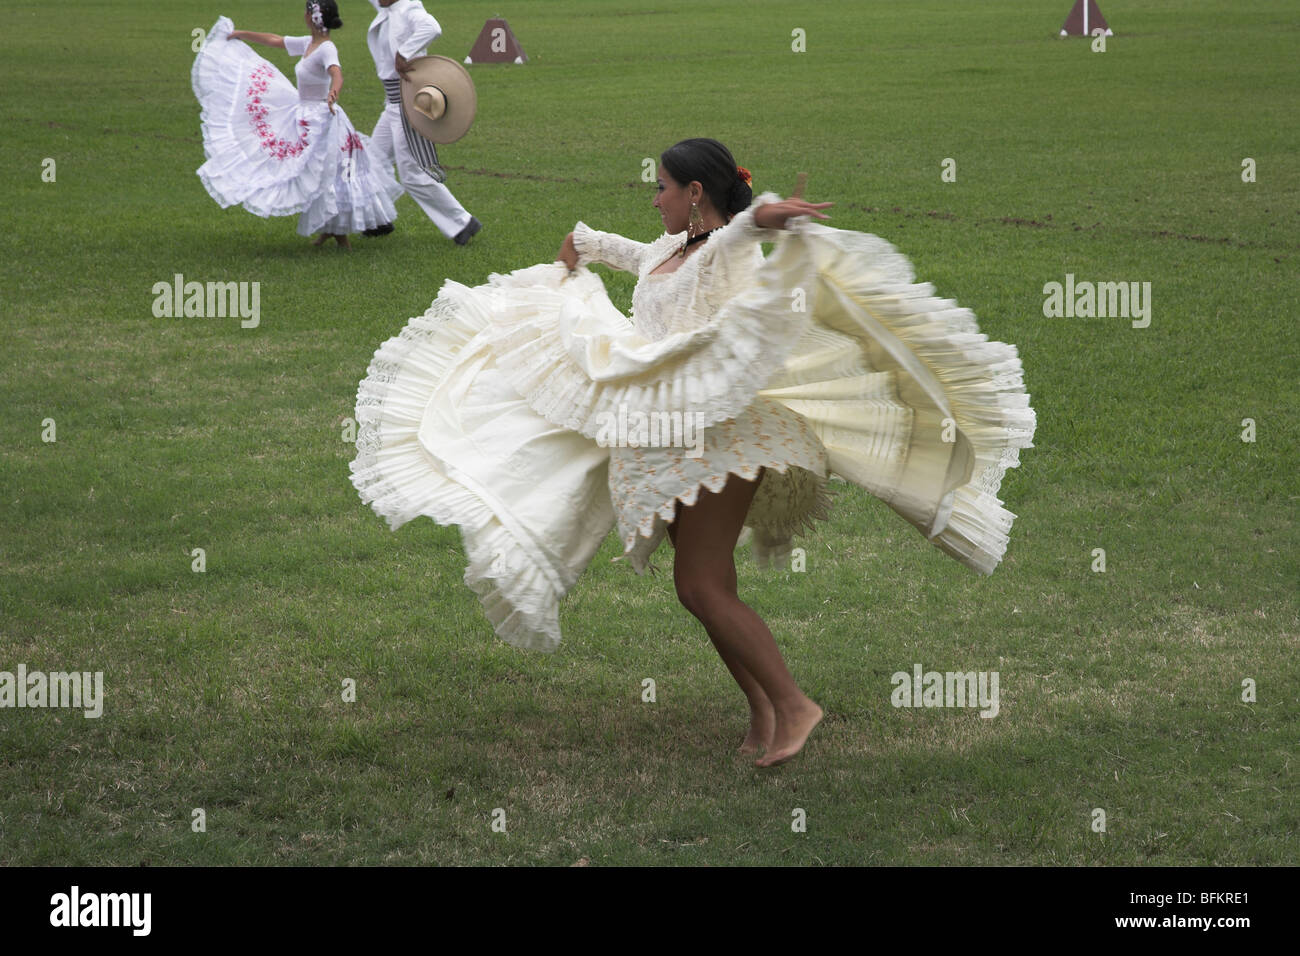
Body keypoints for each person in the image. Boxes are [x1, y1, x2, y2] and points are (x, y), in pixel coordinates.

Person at [350, 138, 1036, 767]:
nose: (655, 199)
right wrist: (575, 250)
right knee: (704, 585)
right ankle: (766, 713)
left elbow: (747, 230)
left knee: (699, 582)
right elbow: (607, 246)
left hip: (721, 432)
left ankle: (795, 705)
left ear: (697, 194)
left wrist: (767, 214)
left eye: (663, 188)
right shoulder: (661, 252)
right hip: (666, 433)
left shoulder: (719, 250)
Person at [192, 3, 403, 248]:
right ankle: (330, 230)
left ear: (310, 18)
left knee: (328, 173)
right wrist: (242, 34)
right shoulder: (308, 44)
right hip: (302, 114)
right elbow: (276, 41)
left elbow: (337, 73)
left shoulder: (326, 48)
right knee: (316, 173)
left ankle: (340, 235)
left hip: (322, 118)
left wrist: (333, 94)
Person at [364, 0, 481, 245]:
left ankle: (463, 222)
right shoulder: (387, 7)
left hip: (409, 104)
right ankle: (378, 219)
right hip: (392, 105)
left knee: (412, 175)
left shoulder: (409, 8)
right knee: (373, 160)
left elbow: (432, 27)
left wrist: (404, 52)